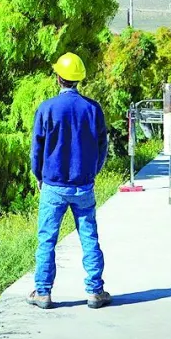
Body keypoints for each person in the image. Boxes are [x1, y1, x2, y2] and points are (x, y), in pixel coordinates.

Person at [27, 52, 111, 310]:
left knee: (47, 239)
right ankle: (95, 291)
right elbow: (102, 146)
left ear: (58, 78)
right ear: (79, 79)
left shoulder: (47, 108)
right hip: (83, 185)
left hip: (53, 186)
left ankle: (42, 292)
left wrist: (39, 175)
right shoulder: (93, 109)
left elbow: (37, 149)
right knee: (89, 237)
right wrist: (92, 172)